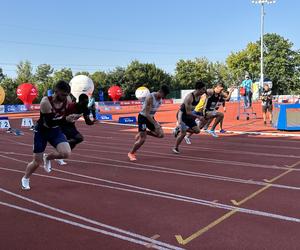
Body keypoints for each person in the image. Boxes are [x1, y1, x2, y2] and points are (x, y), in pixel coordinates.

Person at [21, 80, 72, 190]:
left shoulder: (68, 100)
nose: (64, 97)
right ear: (56, 91)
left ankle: (48, 157)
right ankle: (25, 178)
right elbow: (49, 122)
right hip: (42, 132)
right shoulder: (45, 102)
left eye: (66, 95)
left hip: (55, 131)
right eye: (62, 94)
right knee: (37, 162)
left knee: (66, 153)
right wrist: (65, 119)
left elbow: (68, 113)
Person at [128, 85, 170, 161]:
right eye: (164, 95)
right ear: (160, 92)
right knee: (142, 139)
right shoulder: (150, 97)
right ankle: (131, 153)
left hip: (150, 118)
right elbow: (147, 114)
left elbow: (151, 114)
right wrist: (155, 124)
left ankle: (144, 132)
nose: (164, 97)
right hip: (143, 118)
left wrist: (155, 123)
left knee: (161, 134)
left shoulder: (160, 99)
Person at [56, 93, 95, 165]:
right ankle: (61, 152)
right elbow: (60, 114)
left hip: (71, 126)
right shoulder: (71, 106)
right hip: (62, 124)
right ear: (80, 101)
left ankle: (61, 153)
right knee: (78, 138)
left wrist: (93, 121)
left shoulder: (85, 109)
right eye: (84, 102)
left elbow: (88, 122)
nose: (86, 103)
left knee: (78, 139)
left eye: (87, 102)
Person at [172, 80, 206, 153]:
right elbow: (188, 112)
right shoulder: (189, 97)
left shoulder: (199, 96)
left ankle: (178, 129)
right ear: (198, 89)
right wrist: (199, 117)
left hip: (189, 115)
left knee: (197, 131)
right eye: (203, 89)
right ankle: (175, 148)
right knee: (183, 133)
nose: (204, 91)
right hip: (182, 115)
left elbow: (191, 111)